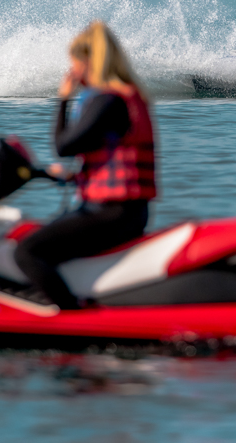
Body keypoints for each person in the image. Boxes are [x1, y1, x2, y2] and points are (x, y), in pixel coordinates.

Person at [14, 21, 156, 310]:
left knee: (27, 252)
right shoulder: (124, 97)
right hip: (123, 210)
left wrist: (63, 99)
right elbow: (102, 153)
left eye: (75, 63)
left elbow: (63, 146)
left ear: (89, 61)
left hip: (113, 212)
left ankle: (70, 316)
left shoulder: (108, 100)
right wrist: (76, 175)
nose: (72, 71)